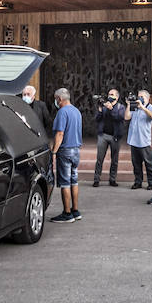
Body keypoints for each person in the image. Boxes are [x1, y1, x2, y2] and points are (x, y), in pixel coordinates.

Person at [49, 88, 83, 223]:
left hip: (65, 150)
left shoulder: (62, 112)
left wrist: (54, 151)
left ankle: (67, 213)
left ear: (59, 99)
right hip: (76, 150)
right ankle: (75, 210)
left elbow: (60, 134)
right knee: (74, 180)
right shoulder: (76, 111)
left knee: (64, 183)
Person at [92, 89, 126, 187]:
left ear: (117, 97)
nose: (109, 96)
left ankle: (112, 179)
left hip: (115, 137)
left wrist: (111, 109)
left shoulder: (120, 107)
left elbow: (119, 117)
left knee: (114, 159)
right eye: (109, 94)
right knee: (99, 159)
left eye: (112, 94)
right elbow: (97, 119)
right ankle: (96, 179)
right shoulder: (104, 106)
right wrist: (99, 109)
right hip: (103, 135)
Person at [125, 90, 152, 191]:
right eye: (138, 96)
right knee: (136, 163)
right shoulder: (134, 107)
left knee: (149, 163)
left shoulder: (151, 107)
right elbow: (126, 117)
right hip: (134, 140)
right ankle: (138, 182)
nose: (139, 98)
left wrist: (142, 107)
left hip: (145, 140)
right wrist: (129, 105)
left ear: (148, 98)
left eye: (142, 96)